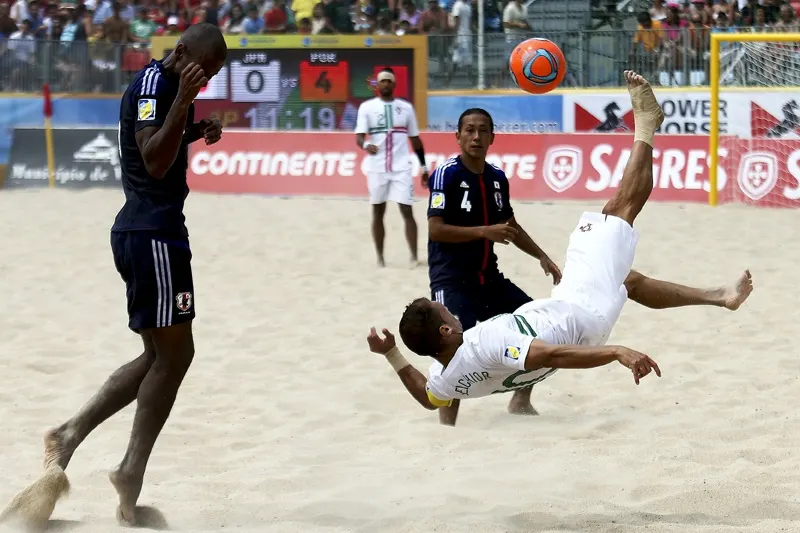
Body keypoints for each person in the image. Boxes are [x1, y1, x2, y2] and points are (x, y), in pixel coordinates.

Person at [368, 71, 755, 414]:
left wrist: (390, 353)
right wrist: (619, 351)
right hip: (576, 317)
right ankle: (647, 126)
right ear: (447, 330)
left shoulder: (443, 378)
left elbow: (425, 394)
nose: (476, 136)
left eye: (482, 130)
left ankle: (720, 296)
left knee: (626, 278)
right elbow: (549, 354)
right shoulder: (484, 342)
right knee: (617, 212)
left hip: (555, 305)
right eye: (445, 317)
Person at [40, 22, 228, 525]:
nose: (204, 80)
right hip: (151, 235)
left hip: (153, 233)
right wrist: (184, 103)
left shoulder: (167, 87)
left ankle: (72, 434)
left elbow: (160, 146)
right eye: (202, 70)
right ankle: (129, 469)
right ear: (182, 52)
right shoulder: (155, 85)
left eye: (210, 77)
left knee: (160, 355)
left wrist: (194, 127)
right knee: (174, 354)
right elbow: (153, 158)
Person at [426, 107, 562, 426]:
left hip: (490, 279)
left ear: (492, 137)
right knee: (455, 350)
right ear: (458, 136)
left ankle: (520, 399)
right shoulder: (446, 173)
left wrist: (541, 255)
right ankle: (448, 426)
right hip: (452, 281)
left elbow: (509, 223)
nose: (476, 136)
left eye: (483, 130)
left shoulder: (497, 178)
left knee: (539, 329)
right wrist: (484, 232)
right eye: (470, 130)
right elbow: (435, 229)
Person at [355, 67, 429, 267]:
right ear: (376, 85)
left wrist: (424, 167)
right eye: (382, 81)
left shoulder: (405, 108)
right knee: (378, 211)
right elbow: (359, 137)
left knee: (407, 210)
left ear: (394, 84)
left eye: (389, 81)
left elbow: (415, 140)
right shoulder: (366, 108)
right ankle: (380, 258)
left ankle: (414, 257)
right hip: (377, 168)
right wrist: (365, 145)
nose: (385, 84)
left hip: (401, 168)